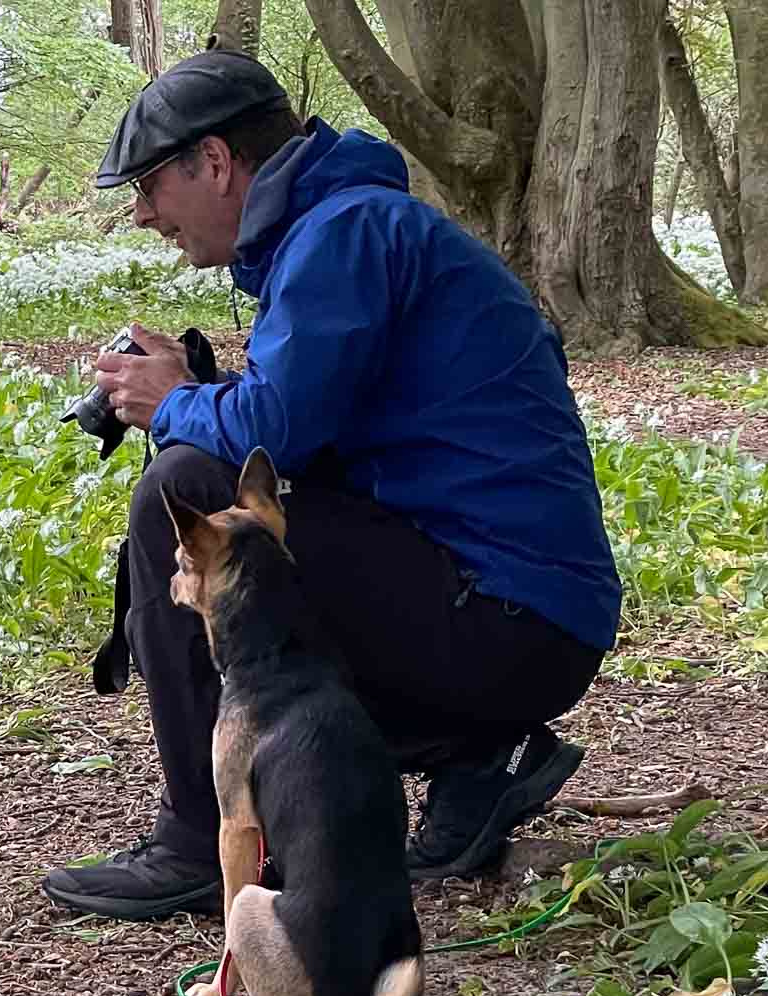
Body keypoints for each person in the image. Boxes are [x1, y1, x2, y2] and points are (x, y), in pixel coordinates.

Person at [40, 48, 623, 921]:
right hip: (521, 618)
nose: (141, 213)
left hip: (504, 616)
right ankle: (476, 759)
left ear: (213, 161)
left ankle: (205, 841)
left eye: (150, 184)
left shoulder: (345, 232)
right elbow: (320, 434)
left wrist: (176, 404)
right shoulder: (343, 228)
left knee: (191, 491)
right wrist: (203, 390)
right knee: (223, 484)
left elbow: (275, 436)